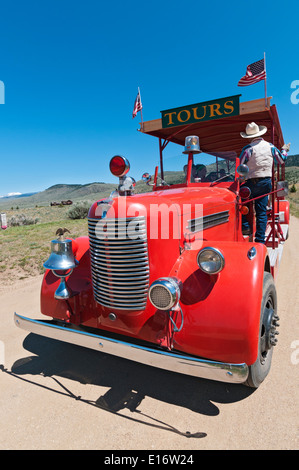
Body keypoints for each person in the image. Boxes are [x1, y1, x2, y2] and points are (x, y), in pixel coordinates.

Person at [239, 122, 287, 244]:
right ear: (260, 134)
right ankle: (260, 240)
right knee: (261, 212)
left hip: (250, 183)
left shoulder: (247, 149)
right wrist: (284, 150)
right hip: (265, 182)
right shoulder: (270, 147)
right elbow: (281, 160)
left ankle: (245, 226)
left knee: (241, 203)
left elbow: (240, 167)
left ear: (249, 137)